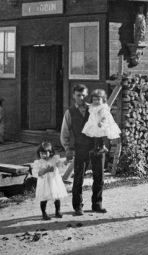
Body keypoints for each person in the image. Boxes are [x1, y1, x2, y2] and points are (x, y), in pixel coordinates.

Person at [60, 84, 107, 215]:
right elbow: (64, 133)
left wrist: (103, 143)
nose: (81, 98)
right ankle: (78, 206)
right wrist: (68, 148)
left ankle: (97, 204)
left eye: (84, 95)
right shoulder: (69, 112)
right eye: (78, 95)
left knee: (99, 177)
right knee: (78, 178)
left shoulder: (94, 109)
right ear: (74, 96)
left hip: (96, 147)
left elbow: (104, 125)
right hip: (80, 148)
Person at [31, 141, 68, 220]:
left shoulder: (54, 159)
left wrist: (65, 162)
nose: (42, 155)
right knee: (44, 198)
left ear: (50, 152)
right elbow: (37, 173)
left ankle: (57, 211)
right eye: (41, 153)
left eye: (45, 153)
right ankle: (44, 213)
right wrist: (45, 170)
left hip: (54, 181)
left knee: (57, 197)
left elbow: (60, 165)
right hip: (44, 183)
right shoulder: (38, 162)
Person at [81, 89, 122, 154]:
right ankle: (98, 147)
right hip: (94, 123)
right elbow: (90, 106)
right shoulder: (93, 106)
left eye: (98, 100)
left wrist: (101, 122)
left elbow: (104, 116)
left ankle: (102, 147)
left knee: (100, 136)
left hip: (101, 123)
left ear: (103, 100)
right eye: (94, 100)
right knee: (96, 136)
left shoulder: (103, 108)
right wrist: (88, 104)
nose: (96, 101)